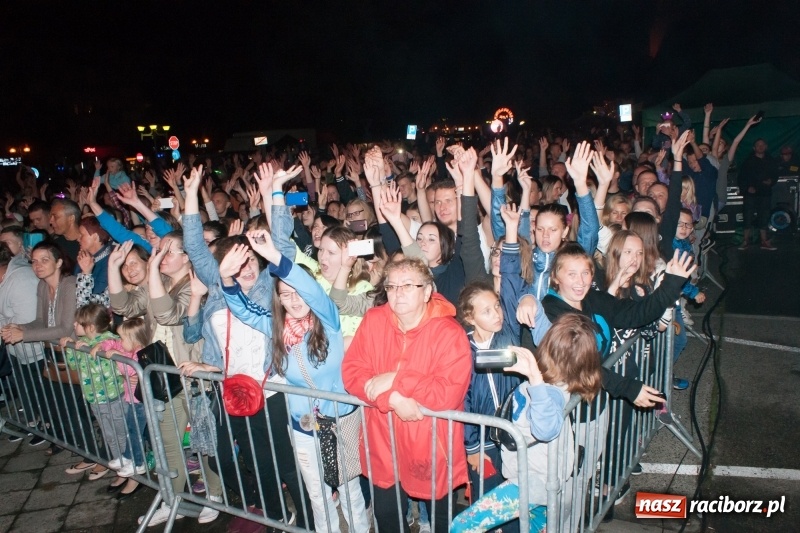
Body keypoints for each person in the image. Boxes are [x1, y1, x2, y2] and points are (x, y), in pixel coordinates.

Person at [220, 231, 369, 533]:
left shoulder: (328, 318)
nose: (294, 299)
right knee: (318, 495)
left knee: (350, 489)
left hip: (340, 421)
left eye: (298, 292)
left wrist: (275, 257)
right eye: (285, 294)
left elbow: (309, 289)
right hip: (303, 427)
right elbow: (243, 310)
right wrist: (226, 278)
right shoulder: (276, 327)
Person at [342, 257, 472, 533]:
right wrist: (392, 398)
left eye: (407, 286)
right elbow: (353, 372)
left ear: (427, 292)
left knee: (442, 520)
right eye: (391, 286)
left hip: (429, 442)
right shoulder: (374, 320)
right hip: (382, 438)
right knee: (387, 516)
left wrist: (397, 378)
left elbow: (447, 393)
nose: (397, 293)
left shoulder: (449, 333)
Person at [450, 314, 603, 533]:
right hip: (536, 482)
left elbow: (546, 430)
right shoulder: (554, 383)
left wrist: (535, 378)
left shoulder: (551, 391)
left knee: (461, 525)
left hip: (531, 484)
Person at [59, 304, 125, 481]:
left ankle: (130, 467)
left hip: (113, 398)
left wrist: (97, 347)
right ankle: (121, 468)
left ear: (90, 327)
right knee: (109, 436)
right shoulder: (84, 343)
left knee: (121, 434)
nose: (74, 325)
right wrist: (71, 348)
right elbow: (74, 365)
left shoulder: (110, 340)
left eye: (78, 322)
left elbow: (115, 357)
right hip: (95, 399)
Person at [94, 317, 150, 499]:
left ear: (134, 340)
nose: (120, 341)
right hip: (130, 399)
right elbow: (113, 343)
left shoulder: (139, 353)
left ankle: (138, 463)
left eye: (123, 338)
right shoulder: (127, 347)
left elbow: (129, 370)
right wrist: (102, 346)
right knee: (129, 430)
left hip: (140, 402)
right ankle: (127, 456)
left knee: (135, 433)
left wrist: (117, 356)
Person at [738, 138, 780, 250]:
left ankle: (764, 241)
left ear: (766, 147)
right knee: (748, 216)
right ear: (754, 148)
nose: (760, 147)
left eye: (762, 145)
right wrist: (747, 188)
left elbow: (775, 174)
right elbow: (741, 177)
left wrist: (771, 181)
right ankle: (745, 240)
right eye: (758, 145)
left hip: (765, 193)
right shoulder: (748, 161)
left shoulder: (771, 160)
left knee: (764, 216)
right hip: (750, 194)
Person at [49, 198, 82, 263]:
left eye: (55, 217)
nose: (50, 221)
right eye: (51, 217)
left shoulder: (86, 244)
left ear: (71, 219)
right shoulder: (55, 245)